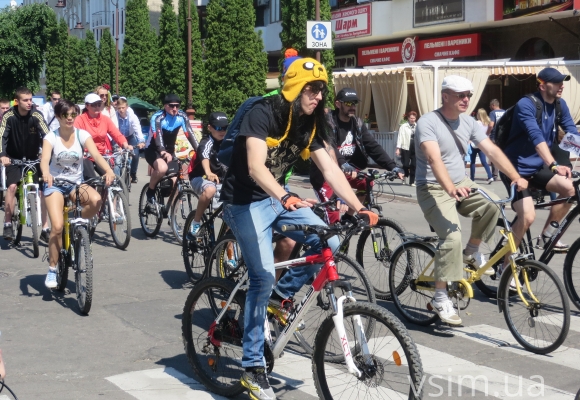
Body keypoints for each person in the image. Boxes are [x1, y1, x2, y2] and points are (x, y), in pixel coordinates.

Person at [219, 57, 379, 400]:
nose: (319, 96)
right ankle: (252, 368)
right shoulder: (262, 113)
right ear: (293, 87)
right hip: (243, 203)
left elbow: (332, 171)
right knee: (261, 275)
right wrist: (286, 195)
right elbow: (255, 167)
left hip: (278, 200)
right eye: (312, 89)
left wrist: (360, 207)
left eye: (322, 90)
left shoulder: (309, 124)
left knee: (332, 241)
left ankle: (278, 298)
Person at [415, 75, 527, 325]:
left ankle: (472, 251)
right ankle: (441, 296)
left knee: (493, 204)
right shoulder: (428, 122)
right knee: (451, 236)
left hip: (462, 183)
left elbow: (492, 150)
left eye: (468, 95)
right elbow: (434, 160)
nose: (466, 99)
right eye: (460, 95)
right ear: (445, 96)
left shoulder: (470, 123)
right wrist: (450, 189)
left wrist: (515, 176)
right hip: (432, 187)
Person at [502, 67, 579, 253]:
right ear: (543, 86)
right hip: (514, 169)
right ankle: (507, 268)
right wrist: (554, 165)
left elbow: (573, 134)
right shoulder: (526, 104)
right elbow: (536, 137)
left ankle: (546, 236)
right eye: (557, 83)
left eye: (563, 82)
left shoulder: (560, 105)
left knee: (569, 189)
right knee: (527, 217)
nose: (561, 86)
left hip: (536, 167)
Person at [40, 99, 115, 289]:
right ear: (58, 116)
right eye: (66, 115)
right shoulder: (51, 137)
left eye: (73, 114)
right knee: (56, 227)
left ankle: (76, 223)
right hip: (55, 185)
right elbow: (45, 159)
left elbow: (96, 155)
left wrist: (108, 171)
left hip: (75, 184)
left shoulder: (82, 135)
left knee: (96, 200)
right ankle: (52, 268)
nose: (70, 118)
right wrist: (46, 173)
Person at [310, 87, 403, 224]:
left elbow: (373, 147)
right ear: (338, 104)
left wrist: (393, 167)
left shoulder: (357, 124)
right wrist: (344, 164)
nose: (352, 106)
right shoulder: (328, 121)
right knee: (333, 214)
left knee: (366, 183)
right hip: (326, 174)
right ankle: (328, 239)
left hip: (348, 171)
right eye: (348, 103)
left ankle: (348, 217)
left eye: (354, 103)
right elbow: (331, 147)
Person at [0, 87, 51, 240]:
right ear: (17, 101)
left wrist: (47, 152)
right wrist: (2, 155)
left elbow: (47, 135)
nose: (29, 103)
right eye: (25, 100)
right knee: (12, 187)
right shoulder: (8, 116)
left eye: (31, 100)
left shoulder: (36, 115)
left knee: (43, 190)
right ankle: (8, 223)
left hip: (34, 158)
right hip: (13, 158)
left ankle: (45, 228)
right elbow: (2, 136)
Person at [144, 94, 198, 207]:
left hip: (170, 152)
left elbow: (190, 134)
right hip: (153, 150)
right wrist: (163, 151)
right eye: (171, 106)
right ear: (165, 106)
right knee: (162, 168)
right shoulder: (157, 117)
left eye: (177, 106)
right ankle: (150, 192)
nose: (174, 109)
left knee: (175, 181)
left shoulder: (182, 116)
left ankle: (172, 214)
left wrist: (199, 150)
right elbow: (157, 136)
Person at [187, 112, 228, 236]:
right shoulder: (206, 142)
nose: (222, 131)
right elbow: (204, 155)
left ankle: (229, 251)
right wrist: (208, 172)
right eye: (218, 128)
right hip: (200, 177)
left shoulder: (228, 141)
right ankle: (196, 222)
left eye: (225, 128)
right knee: (210, 190)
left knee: (232, 219)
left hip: (221, 180)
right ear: (209, 127)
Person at [74, 93, 132, 178]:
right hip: (86, 155)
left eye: (99, 104)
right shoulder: (80, 119)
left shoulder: (105, 119)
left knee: (111, 177)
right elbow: (75, 137)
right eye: (94, 105)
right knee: (91, 179)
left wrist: (125, 144)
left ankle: (107, 191)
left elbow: (116, 134)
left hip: (100, 155)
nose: (97, 107)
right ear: (87, 106)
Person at [116, 97, 145, 183]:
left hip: (130, 136)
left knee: (135, 154)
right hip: (119, 137)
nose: (121, 110)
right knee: (117, 155)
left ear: (127, 107)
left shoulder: (132, 116)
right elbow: (113, 129)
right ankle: (118, 176)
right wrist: (117, 145)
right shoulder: (114, 116)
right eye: (119, 108)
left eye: (123, 107)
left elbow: (137, 129)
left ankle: (133, 174)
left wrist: (141, 141)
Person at [471, 108, 494, 184]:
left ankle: (472, 178)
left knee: (473, 162)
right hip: (482, 143)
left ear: (479, 114)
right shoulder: (487, 123)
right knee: (484, 161)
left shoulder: (476, 123)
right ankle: (490, 176)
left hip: (474, 143)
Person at [396, 111, 418, 186]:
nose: (412, 119)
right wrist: (398, 148)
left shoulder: (417, 126)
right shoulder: (403, 126)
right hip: (405, 147)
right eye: (411, 118)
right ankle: (405, 176)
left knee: (414, 165)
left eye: (414, 118)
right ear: (408, 118)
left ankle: (412, 182)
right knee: (405, 164)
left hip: (414, 147)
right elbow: (400, 137)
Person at [488, 99, 505, 180]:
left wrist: (487, 133)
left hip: (494, 137)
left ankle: (495, 175)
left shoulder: (492, 113)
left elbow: (491, 125)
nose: (490, 107)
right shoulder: (505, 112)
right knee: (504, 155)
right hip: (504, 136)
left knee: (494, 155)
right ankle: (505, 173)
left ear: (493, 105)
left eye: (490, 106)